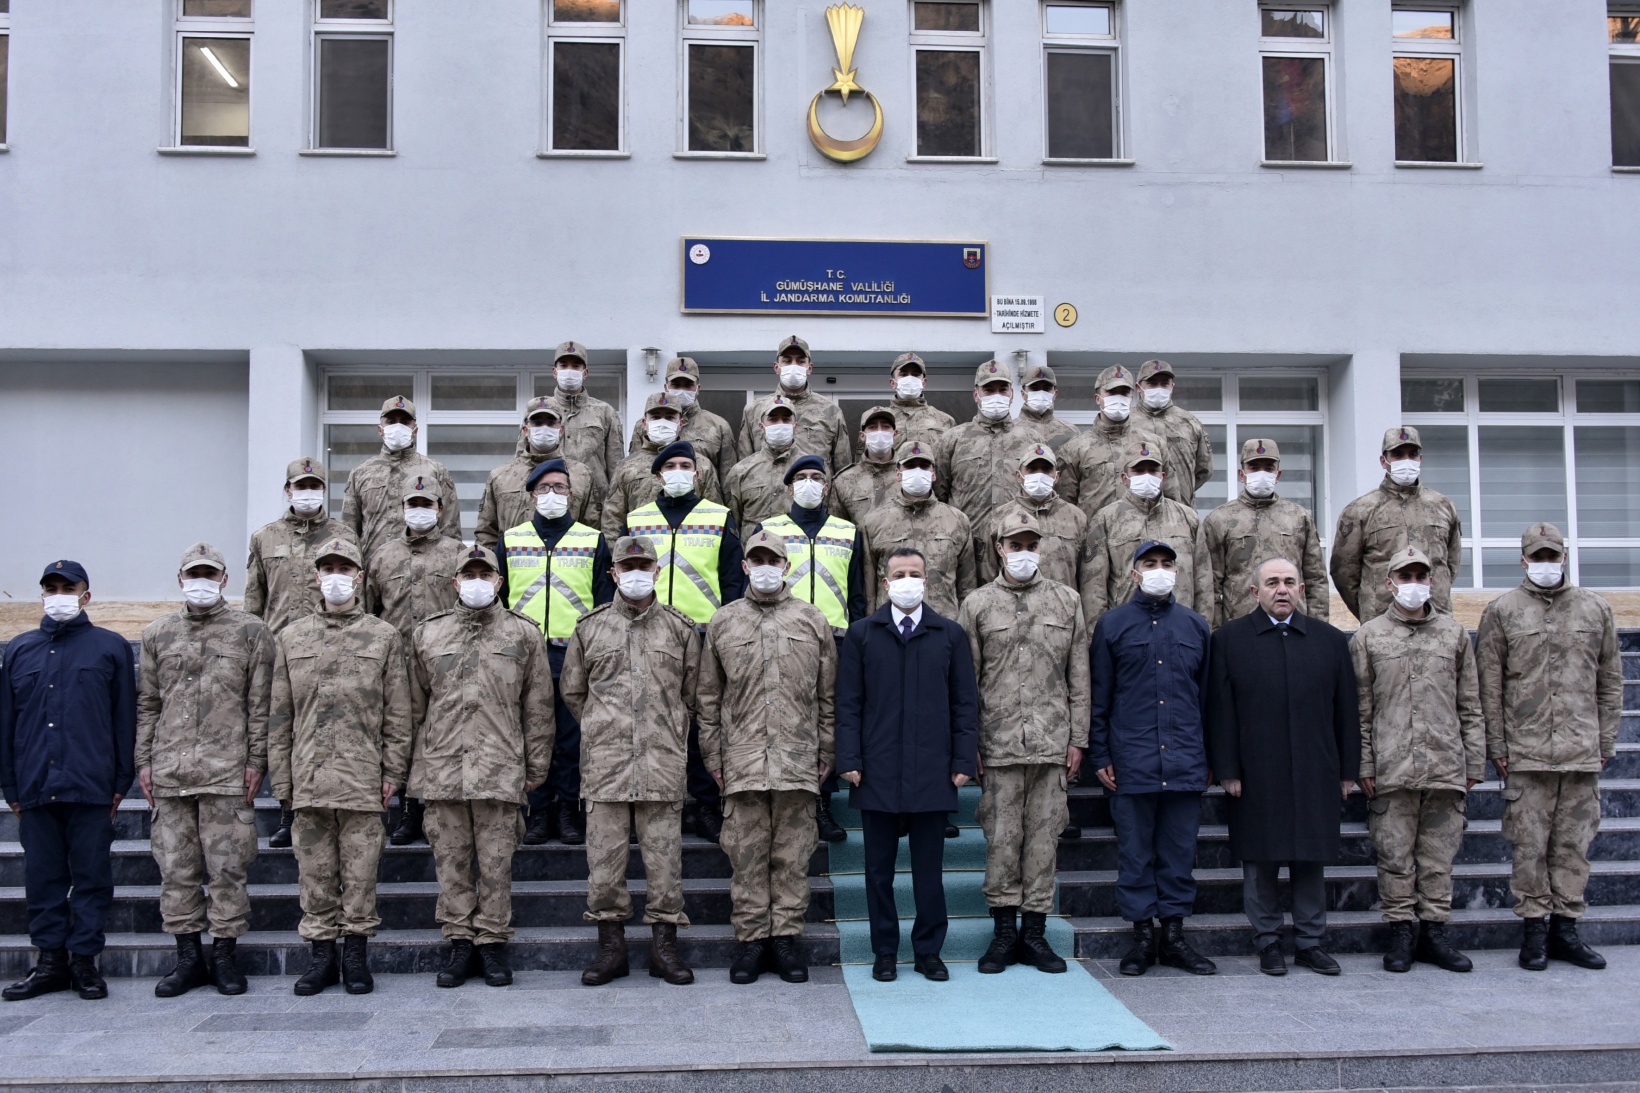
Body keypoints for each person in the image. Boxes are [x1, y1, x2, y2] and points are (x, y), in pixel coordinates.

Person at [268, 537, 412, 996]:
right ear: (315, 576)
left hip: (362, 777)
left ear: (359, 576)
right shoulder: (291, 637)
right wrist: (281, 779)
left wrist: (393, 773)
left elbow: (399, 712)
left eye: (344, 567)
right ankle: (320, 958)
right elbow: (279, 714)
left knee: (360, 873)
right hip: (308, 777)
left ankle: (355, 955)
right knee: (314, 875)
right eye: (326, 567)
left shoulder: (384, 636)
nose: (335, 575)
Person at [409, 545, 555, 989]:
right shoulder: (427, 635)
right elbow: (412, 707)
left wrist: (537, 764)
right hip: (444, 767)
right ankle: (459, 943)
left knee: (495, 864)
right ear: (455, 582)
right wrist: (410, 768)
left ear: (498, 581)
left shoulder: (523, 634)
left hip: (499, 767)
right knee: (451, 863)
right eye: (468, 574)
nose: (476, 581)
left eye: (484, 574)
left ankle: (491, 943)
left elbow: (539, 705)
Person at [1477, 522, 1620, 972]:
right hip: (1526, 752)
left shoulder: (1595, 609)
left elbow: (1610, 681)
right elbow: (1490, 685)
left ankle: (1566, 930)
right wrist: (1497, 744)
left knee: (1573, 847)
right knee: (1529, 847)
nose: (1545, 564)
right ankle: (1534, 932)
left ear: (1565, 556)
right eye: (1536, 557)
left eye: (1551, 555)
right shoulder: (1502, 612)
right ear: (1523, 560)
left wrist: (1606, 739)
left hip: (1581, 752)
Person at [560, 535, 702, 987]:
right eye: (628, 565)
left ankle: (664, 948)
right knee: (604, 865)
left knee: (665, 865)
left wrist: (666, 732)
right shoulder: (589, 628)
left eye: (645, 565)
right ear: (613, 573)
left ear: (658, 572)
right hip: (606, 766)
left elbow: (693, 695)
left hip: (660, 764)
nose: (636, 573)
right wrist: (606, 729)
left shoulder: (681, 629)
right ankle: (611, 948)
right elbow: (574, 692)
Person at [1206, 558, 1359, 977]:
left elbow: (1346, 711)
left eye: (1289, 582)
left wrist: (1348, 770)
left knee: (1311, 856)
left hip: (1316, 767)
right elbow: (1221, 712)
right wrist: (1227, 769)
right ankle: (1268, 941)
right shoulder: (1230, 640)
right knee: (1260, 858)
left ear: (1302, 590)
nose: (1281, 589)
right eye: (1272, 582)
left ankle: (1311, 942)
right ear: (1254, 592)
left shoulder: (1329, 641)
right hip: (1257, 770)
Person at [835, 547, 979, 983]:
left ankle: (928, 951)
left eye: (915, 573)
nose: (907, 580)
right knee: (878, 871)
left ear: (927, 581)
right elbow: (848, 703)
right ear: (884, 582)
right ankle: (884, 951)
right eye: (899, 573)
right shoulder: (862, 634)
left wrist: (962, 760)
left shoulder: (949, 635)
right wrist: (849, 758)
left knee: (928, 872)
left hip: (933, 770)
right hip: (876, 770)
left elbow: (965, 704)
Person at [698, 530, 837, 984]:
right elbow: (708, 698)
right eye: (755, 559)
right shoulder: (723, 622)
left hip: (798, 759)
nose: (764, 566)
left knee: (793, 856)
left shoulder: (812, 620)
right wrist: (713, 756)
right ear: (744, 566)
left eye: (771, 559)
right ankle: (753, 940)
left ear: (786, 565)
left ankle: (785, 939)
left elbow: (828, 695)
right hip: (742, 761)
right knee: (747, 854)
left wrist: (827, 749)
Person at [136, 542, 274, 998]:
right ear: (180, 580)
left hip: (226, 771)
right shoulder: (158, 634)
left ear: (224, 580)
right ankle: (188, 958)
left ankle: (225, 957)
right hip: (171, 772)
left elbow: (260, 704)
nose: (201, 582)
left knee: (228, 868)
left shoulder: (250, 631)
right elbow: (148, 704)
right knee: (176, 869)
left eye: (209, 574)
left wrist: (257, 761)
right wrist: (144, 761)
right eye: (193, 574)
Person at [958, 514, 1089, 975]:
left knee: (1043, 842)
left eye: (1031, 543)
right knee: (1002, 841)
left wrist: (1079, 738)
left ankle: (1035, 933)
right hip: (999, 745)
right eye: (1015, 543)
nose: (1024, 551)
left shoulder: (1066, 601)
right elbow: (965, 682)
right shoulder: (977, 604)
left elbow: (1079, 675)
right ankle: (1003, 933)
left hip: (1052, 743)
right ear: (999, 547)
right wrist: (967, 741)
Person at [0, 561, 135, 1002]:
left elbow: (124, 719)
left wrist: (120, 781)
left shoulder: (110, 648)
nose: (59, 593)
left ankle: (84, 963)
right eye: (51, 587)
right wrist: (11, 788)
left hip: (91, 783)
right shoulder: (20, 650)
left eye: (68, 587)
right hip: (36, 784)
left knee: (92, 876)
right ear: (41, 594)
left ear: (86, 595)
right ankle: (51, 961)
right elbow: (6, 723)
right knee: (43, 878)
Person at [1351, 546, 1485, 974]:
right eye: (1404, 576)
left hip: (1446, 766)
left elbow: (1471, 704)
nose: (1413, 584)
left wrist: (1474, 763)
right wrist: (1365, 764)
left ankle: (1434, 934)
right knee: (1394, 857)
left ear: (1431, 581)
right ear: (1389, 583)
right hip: (1392, 769)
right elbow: (1361, 709)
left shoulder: (1454, 634)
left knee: (1438, 860)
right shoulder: (1368, 637)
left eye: (1420, 576)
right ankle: (1400, 934)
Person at [1088, 541, 1217, 978]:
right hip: (1132, 762)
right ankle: (1142, 936)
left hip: (1184, 762)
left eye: (1166, 564)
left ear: (1177, 573)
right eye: (1150, 564)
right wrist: (1101, 753)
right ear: (1133, 573)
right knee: (1136, 854)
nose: (1159, 570)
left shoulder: (1196, 627)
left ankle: (1175, 936)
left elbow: (1208, 700)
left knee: (1179, 853)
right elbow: (1099, 697)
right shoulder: (1112, 625)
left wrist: (1211, 758)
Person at [624, 440, 746, 842]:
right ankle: (653, 806)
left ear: (697, 473)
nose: (678, 471)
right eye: (670, 465)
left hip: (704, 635)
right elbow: (625, 576)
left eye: (685, 465)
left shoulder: (718, 516)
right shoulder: (637, 519)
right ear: (658, 475)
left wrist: (727, 629)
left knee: (702, 722)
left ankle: (706, 805)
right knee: (648, 719)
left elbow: (731, 580)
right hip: (650, 633)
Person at [499, 458, 615, 847]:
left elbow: (604, 602)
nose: (552, 495)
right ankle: (537, 809)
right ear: (532, 495)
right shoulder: (512, 539)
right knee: (532, 736)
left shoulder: (592, 539)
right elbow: (497, 601)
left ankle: (568, 808)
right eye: (544, 488)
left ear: (571, 494)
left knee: (570, 738)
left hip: (573, 657)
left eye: (560, 488)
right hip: (523, 656)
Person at [754, 454, 867, 845]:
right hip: (784, 635)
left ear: (827, 486)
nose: (808, 483)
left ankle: (825, 799)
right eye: (800, 477)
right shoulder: (769, 529)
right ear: (788, 487)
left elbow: (858, 594)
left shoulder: (847, 531)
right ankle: (799, 797)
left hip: (836, 638)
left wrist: (857, 637)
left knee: (830, 717)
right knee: (791, 717)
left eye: (816, 477)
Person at [370, 477, 465, 848]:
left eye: (427, 504)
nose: (420, 511)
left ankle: (439, 804)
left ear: (440, 510)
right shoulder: (383, 555)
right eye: (414, 504)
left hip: (442, 660)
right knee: (400, 731)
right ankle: (407, 808)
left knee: (439, 729)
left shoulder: (457, 553)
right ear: (403, 508)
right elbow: (370, 609)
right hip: (396, 661)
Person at [1331, 426, 1463, 624]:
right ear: (1384, 461)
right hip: (1382, 622)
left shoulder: (1443, 506)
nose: (1406, 460)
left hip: (1436, 622)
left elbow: (1450, 563)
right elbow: (1344, 572)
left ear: (1421, 459)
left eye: (1412, 454)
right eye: (1398, 455)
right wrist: (1370, 607)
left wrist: (1436, 593)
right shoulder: (1360, 510)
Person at [1202, 438, 1328, 628]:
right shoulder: (1220, 520)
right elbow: (1210, 584)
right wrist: (1216, 631)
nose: (1262, 473)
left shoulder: (1298, 517)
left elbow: (1315, 578)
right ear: (1241, 474)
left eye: (1268, 468)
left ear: (1278, 475)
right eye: (1254, 467)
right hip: (1241, 626)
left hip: (1292, 625)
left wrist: (1318, 629)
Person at [1086, 440, 1213, 623]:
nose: (1146, 476)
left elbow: (1203, 581)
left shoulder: (1187, 518)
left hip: (1181, 626)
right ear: (1124, 478)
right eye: (1138, 471)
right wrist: (1099, 635)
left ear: (1162, 476)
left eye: (1152, 471)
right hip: (1127, 629)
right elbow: (1094, 589)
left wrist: (1203, 629)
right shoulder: (1106, 519)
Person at [976, 443, 1096, 621]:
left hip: (1062, 616)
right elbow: (987, 574)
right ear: (1019, 475)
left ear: (1056, 476)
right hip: (1011, 618)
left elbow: (1088, 578)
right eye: (1032, 469)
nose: (1039, 475)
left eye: (1046, 469)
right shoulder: (998, 518)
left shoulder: (1076, 517)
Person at [859, 440, 977, 619]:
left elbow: (967, 587)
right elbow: (869, 590)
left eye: (924, 466)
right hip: (891, 627)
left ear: (934, 474)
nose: (918, 471)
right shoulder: (874, 522)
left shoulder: (957, 521)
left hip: (943, 625)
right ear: (898, 474)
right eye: (911, 466)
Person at [245, 457, 360, 636]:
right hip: (277, 640)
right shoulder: (265, 537)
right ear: (288, 490)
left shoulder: (344, 536)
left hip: (330, 640)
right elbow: (254, 599)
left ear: (324, 490)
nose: (308, 491)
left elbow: (357, 593)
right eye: (301, 486)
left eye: (314, 486)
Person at [342, 396, 460, 562]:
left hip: (424, 571)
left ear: (415, 430)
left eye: (405, 422)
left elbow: (450, 529)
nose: (398, 426)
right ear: (380, 429)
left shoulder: (435, 471)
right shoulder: (361, 473)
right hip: (373, 568)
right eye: (391, 421)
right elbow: (349, 530)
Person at [933, 359, 1045, 531]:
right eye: (989, 390)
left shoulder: (1031, 440)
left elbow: (1043, 493)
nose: (996, 395)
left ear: (1012, 394)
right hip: (969, 541)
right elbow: (939, 496)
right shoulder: (953, 439)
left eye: (1002, 390)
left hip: (1017, 540)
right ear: (976, 394)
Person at [474, 397, 598, 551]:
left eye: (551, 422)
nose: (544, 427)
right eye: (537, 422)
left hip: (567, 566)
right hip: (513, 567)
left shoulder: (582, 475)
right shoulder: (500, 476)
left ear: (561, 430)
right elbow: (486, 532)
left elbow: (592, 527)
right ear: (525, 429)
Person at [602, 392, 724, 541]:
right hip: (640, 555)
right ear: (644, 423)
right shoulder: (626, 466)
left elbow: (715, 514)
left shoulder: (702, 465)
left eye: (669, 417)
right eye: (656, 417)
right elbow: (613, 520)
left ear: (681, 423)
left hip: (691, 551)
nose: (662, 422)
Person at [1055, 365, 1166, 521]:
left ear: (1132, 396)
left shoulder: (1153, 444)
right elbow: (1065, 506)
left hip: (1144, 536)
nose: (1118, 398)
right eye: (1112, 392)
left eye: (1124, 393)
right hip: (1095, 539)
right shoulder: (1075, 448)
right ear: (1097, 398)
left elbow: (1170, 495)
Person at [738, 336, 852, 473]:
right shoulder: (754, 410)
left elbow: (843, 472)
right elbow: (743, 467)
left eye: (800, 361)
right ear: (777, 367)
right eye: (787, 361)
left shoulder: (831, 411)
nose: (793, 366)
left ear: (809, 368)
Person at [625, 356, 739, 479]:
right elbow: (633, 469)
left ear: (697, 388)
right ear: (666, 387)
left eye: (688, 385)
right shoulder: (643, 426)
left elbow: (728, 477)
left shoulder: (718, 426)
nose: (682, 390)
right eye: (676, 384)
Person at [544, 340, 625, 504]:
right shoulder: (541, 411)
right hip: (549, 499)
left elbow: (616, 466)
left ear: (585, 373)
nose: (569, 370)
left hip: (593, 502)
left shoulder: (604, 412)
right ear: (555, 371)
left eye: (575, 366)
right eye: (564, 365)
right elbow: (523, 460)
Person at [723, 397, 813, 530]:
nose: (780, 424)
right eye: (773, 419)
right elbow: (732, 525)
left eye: (786, 419)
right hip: (754, 549)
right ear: (761, 427)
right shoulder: (741, 471)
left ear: (795, 427)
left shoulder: (812, 469)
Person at [1134, 360, 1213, 508]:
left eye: (1164, 383)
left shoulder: (1190, 422)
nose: (1159, 388)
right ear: (1139, 387)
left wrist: (1181, 489)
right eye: (1152, 383)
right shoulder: (1127, 422)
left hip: (1181, 513)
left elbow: (1204, 469)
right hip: (1135, 513)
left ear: (1172, 387)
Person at [830, 406, 902, 527]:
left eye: (886, 427)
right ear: (862, 436)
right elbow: (837, 529)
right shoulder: (844, 481)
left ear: (895, 434)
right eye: (873, 428)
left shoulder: (910, 474)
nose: (879, 432)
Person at [884, 353, 955, 452]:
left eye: (916, 375)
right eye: (903, 375)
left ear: (924, 382)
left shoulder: (945, 420)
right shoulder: (878, 420)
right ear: (892, 383)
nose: (910, 379)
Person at [1017, 363, 1080, 449]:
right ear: (1023, 394)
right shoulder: (1010, 430)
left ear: (1055, 394)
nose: (1041, 393)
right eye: (1034, 388)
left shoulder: (1071, 433)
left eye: (1047, 389)